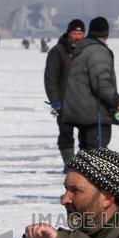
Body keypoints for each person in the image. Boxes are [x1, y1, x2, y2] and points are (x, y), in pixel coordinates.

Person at [61, 17, 119, 150]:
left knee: (87, 153)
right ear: (107, 33)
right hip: (95, 114)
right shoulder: (98, 52)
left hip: (82, 112)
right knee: (96, 153)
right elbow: (102, 85)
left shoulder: (83, 48)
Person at [44, 19, 85, 165]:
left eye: (80, 34)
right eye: (74, 33)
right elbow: (50, 78)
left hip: (84, 102)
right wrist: (55, 100)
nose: (77, 37)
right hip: (64, 102)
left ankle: (84, 166)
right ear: (68, 34)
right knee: (66, 134)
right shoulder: (57, 51)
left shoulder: (88, 51)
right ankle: (69, 164)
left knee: (86, 135)